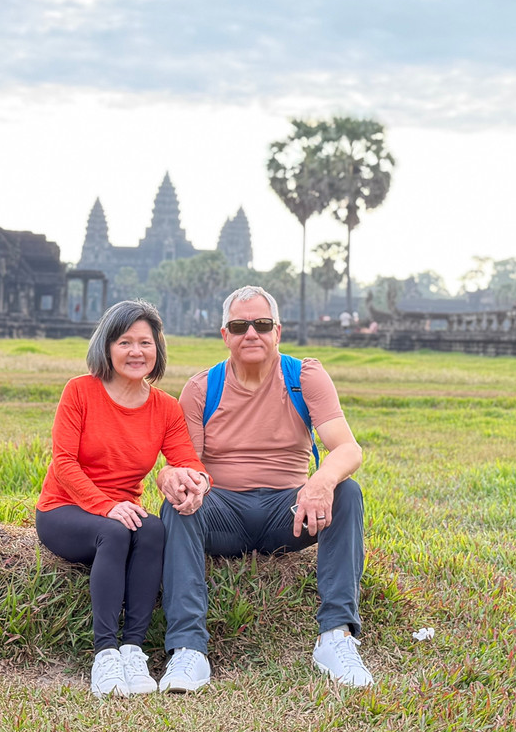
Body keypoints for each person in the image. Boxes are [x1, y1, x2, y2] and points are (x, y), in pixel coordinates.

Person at [156, 285, 372, 692]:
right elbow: (187, 463)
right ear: (225, 335)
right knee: (178, 507)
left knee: (347, 493)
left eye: (262, 324)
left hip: (289, 513)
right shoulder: (202, 388)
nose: (251, 333)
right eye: (240, 326)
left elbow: (348, 448)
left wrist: (320, 482)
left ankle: (335, 636)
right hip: (222, 512)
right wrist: (175, 479)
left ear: (278, 331)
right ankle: (188, 649)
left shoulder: (303, 377)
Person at [35, 300, 210, 698]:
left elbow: (186, 460)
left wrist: (196, 481)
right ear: (107, 346)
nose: (136, 352)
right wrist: (106, 506)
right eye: (125, 342)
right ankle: (105, 654)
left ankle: (133, 650)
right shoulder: (80, 391)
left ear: (157, 349)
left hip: (121, 511)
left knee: (153, 529)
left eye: (145, 343)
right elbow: (63, 462)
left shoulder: (164, 407)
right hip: (65, 509)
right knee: (114, 532)